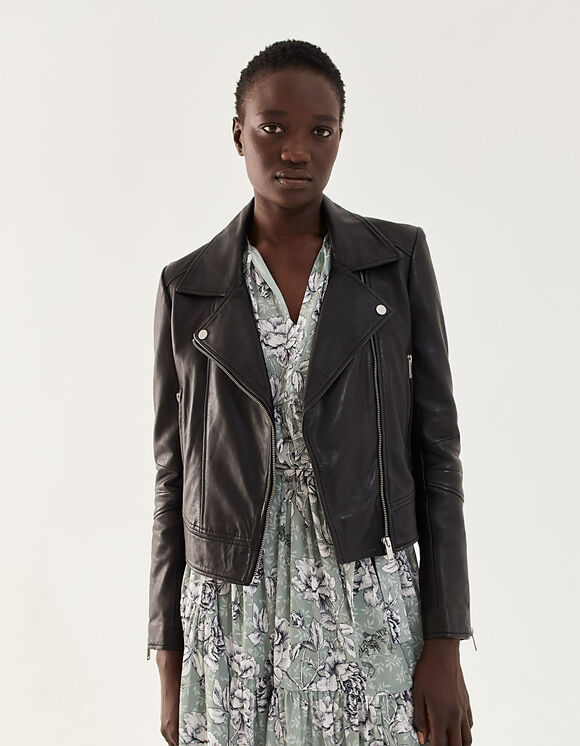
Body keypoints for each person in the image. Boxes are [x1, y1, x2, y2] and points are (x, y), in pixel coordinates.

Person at [147, 39, 475, 746]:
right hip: (230, 615)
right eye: (273, 127)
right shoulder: (188, 288)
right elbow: (175, 479)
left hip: (368, 600)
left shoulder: (395, 263)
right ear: (239, 133)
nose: (295, 150)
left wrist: (446, 640)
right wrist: (169, 660)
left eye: (320, 131)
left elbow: (439, 459)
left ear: (339, 137)